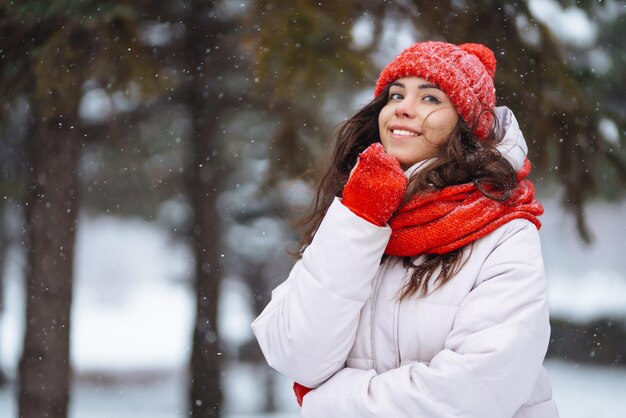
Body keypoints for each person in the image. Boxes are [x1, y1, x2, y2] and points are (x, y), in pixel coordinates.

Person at [251, 41, 559, 417]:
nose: (403, 107)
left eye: (430, 98)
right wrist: (358, 220)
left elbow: (475, 393)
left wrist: (331, 402)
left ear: (466, 124)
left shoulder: (504, 231)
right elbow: (296, 354)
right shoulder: (355, 213)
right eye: (396, 94)